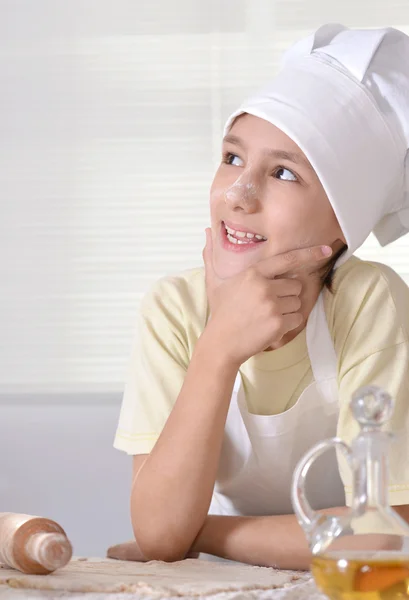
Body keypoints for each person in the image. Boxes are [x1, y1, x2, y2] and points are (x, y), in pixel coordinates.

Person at [113, 24, 409, 570]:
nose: (239, 194)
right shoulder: (173, 309)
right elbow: (158, 536)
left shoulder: (369, 303)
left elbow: (383, 540)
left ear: (343, 224)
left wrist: (202, 532)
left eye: (282, 173)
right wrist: (219, 346)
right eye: (231, 158)